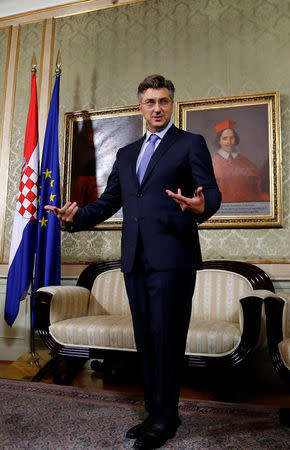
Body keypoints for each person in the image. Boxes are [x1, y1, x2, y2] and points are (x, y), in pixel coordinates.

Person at [46, 75, 221, 449]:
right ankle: (155, 413)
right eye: (150, 102)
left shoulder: (191, 144)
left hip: (174, 257)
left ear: (172, 105)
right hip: (135, 260)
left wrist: (201, 206)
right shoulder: (127, 154)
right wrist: (74, 218)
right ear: (140, 107)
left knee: (168, 339)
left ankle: (165, 419)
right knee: (147, 338)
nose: (157, 108)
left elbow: (213, 192)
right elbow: (109, 202)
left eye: (163, 101)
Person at [211, 118, 269, 202]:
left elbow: (257, 189)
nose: (229, 142)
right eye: (225, 138)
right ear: (219, 141)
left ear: (236, 139)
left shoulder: (245, 162)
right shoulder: (211, 162)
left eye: (232, 138)